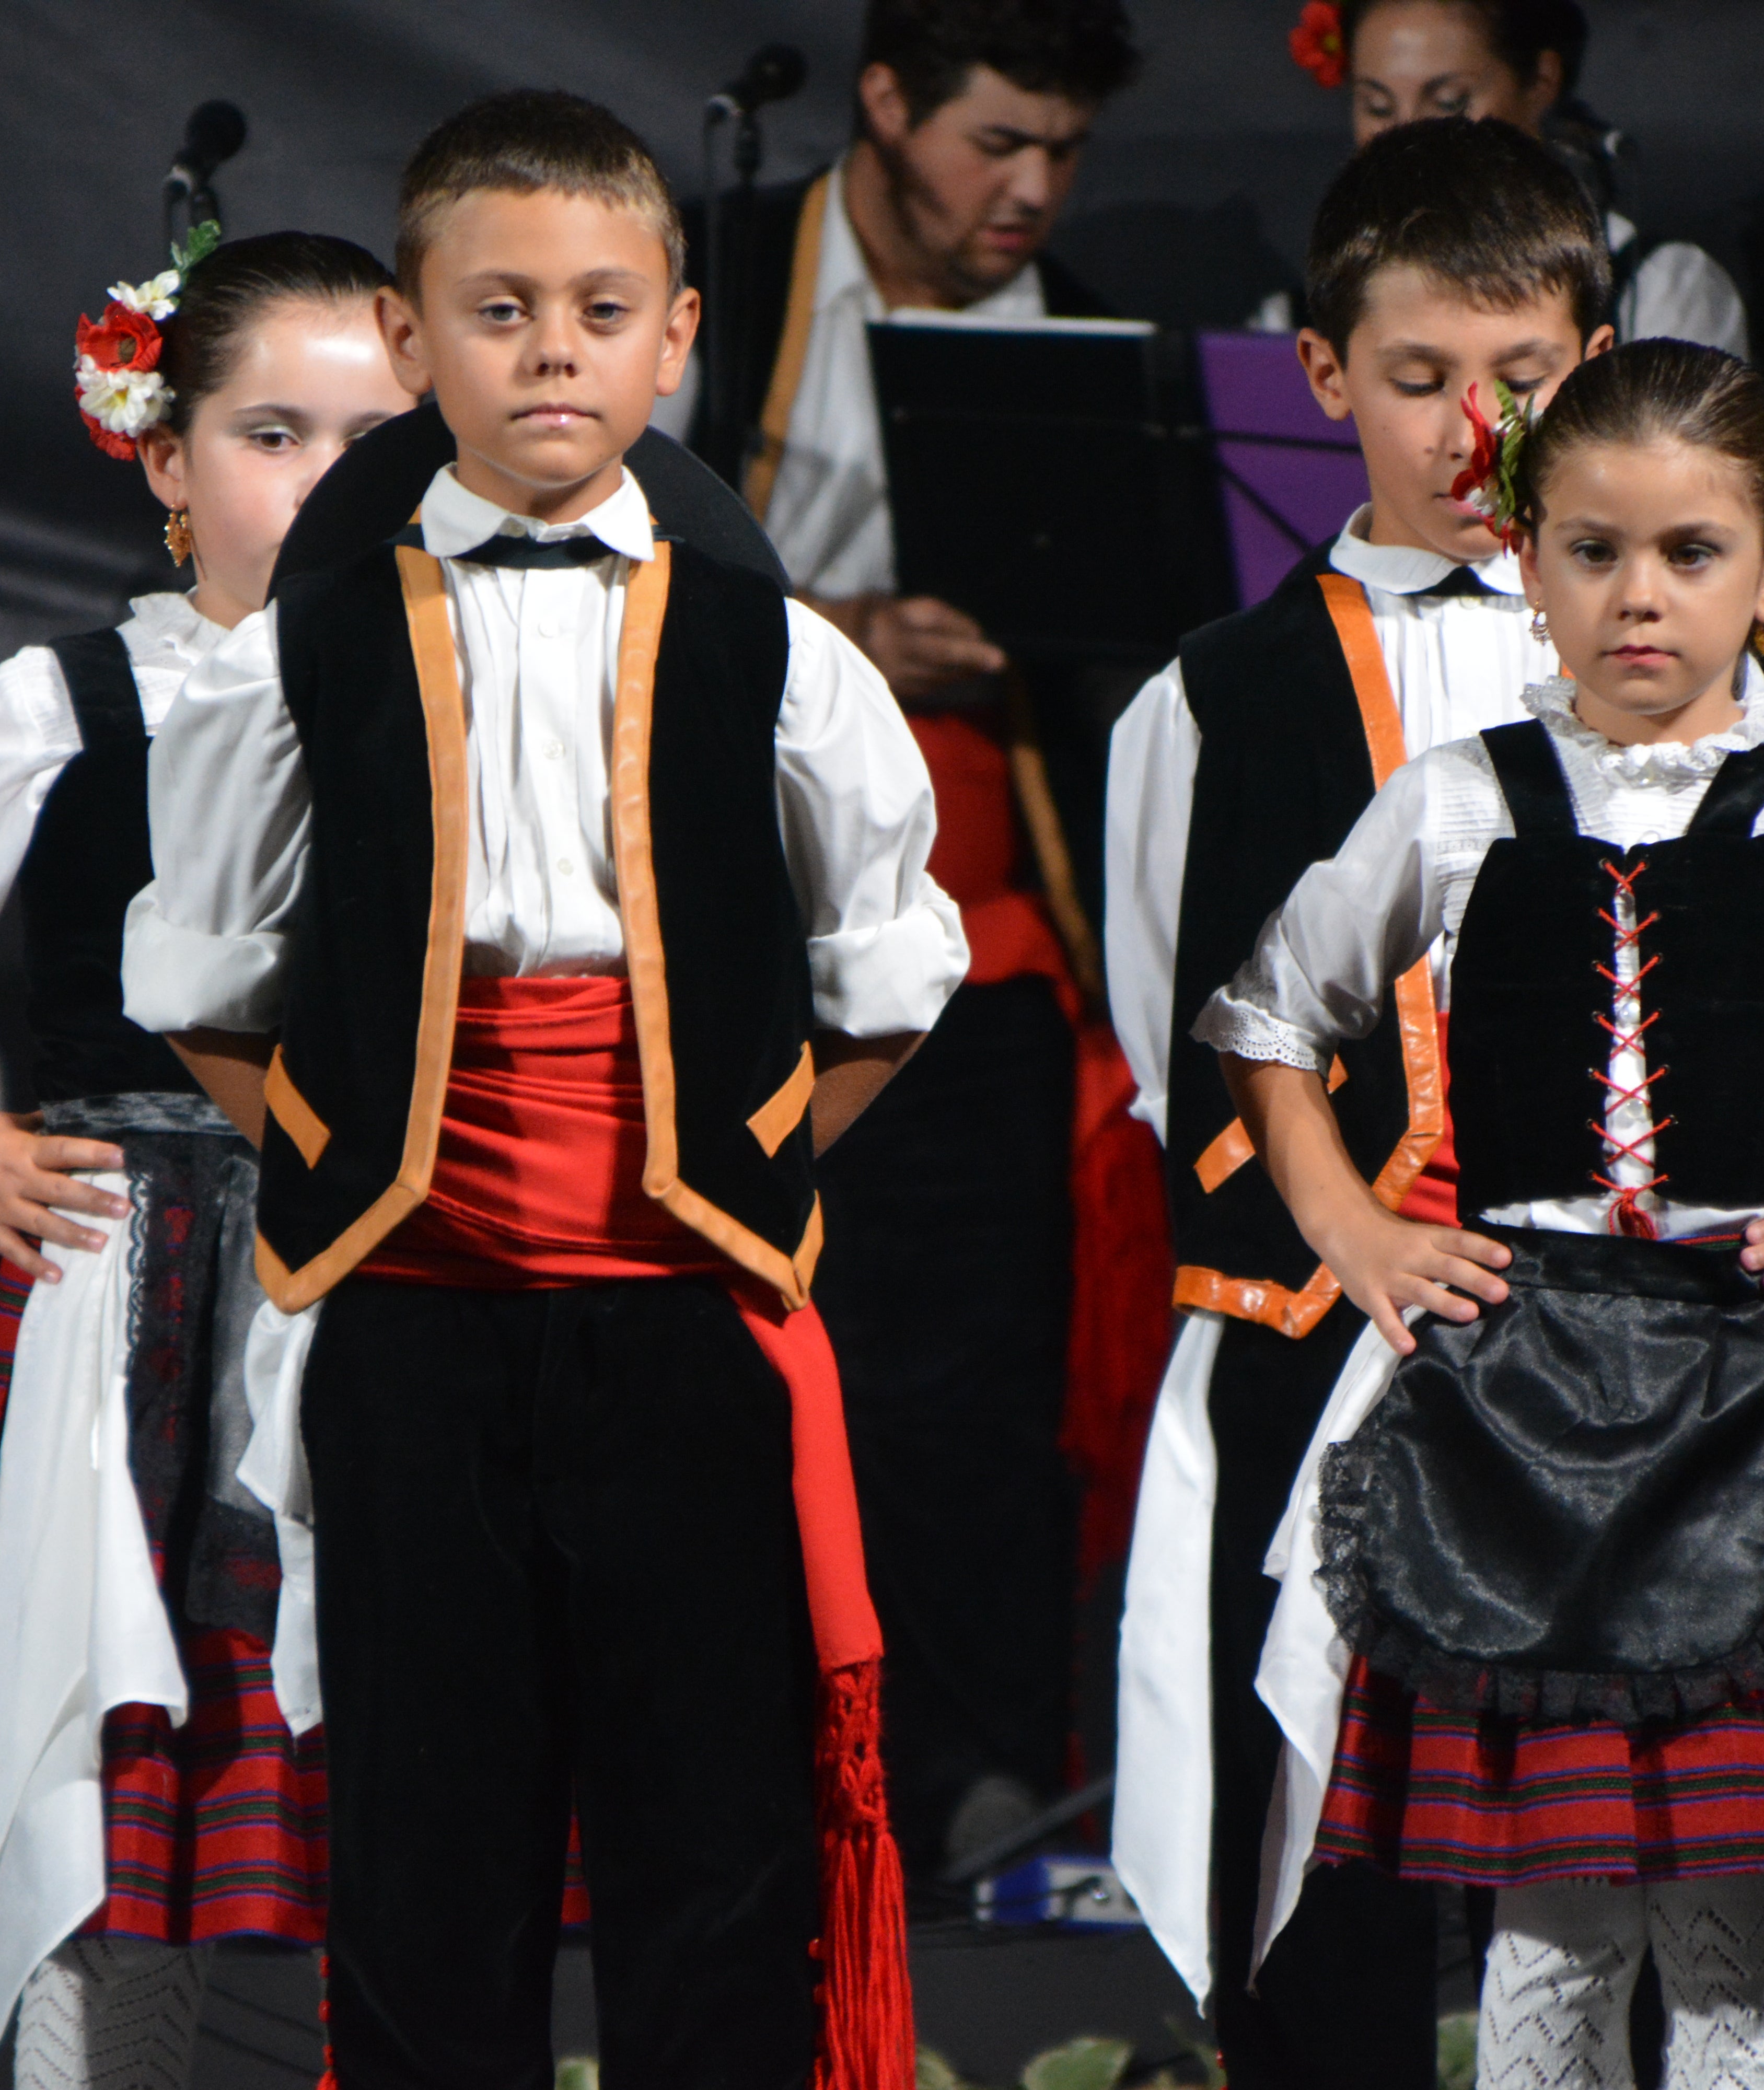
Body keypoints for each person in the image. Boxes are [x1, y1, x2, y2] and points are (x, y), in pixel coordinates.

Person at [120, 91, 966, 2089]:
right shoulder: (302, 641)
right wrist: (366, 1166)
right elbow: (199, 971)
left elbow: (893, 963)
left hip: (678, 1306)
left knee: (709, 1841)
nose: (554, 351)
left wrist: (729, 1161)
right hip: (414, 1314)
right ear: (410, 345)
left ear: (677, 335)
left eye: (601, 308)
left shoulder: (772, 637)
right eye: (499, 312)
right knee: (429, 1848)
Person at [1205, 341, 1764, 2090]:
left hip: (1759, 1381)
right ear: (1527, 562)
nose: (1637, 597)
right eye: (1592, 550)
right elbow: (1267, 1015)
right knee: (1553, 1914)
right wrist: (1354, 1232)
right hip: (1523, 1405)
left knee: (1739, 1921)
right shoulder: (1461, 798)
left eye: (1691, 554)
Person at [0, 231, 415, 2086]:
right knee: (113, 1797)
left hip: (397, 1278)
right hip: (141, 1291)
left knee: (400, 1789)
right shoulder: (78, 702)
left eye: (376, 432)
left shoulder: (461, 691)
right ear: (166, 461)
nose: (330, 476)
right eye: (277, 430)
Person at [1105, 118, 1600, 2090]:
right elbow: (1180, 1041)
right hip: (1318, 1334)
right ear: (1322, 377)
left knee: (1606, 1863)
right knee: (1322, 1863)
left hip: (1606, 1346)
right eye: (1417, 381)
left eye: (1526, 381)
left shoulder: (1671, 666)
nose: (1475, 433)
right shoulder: (1209, 701)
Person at [671, 0, 1148, 1874]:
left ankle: (973, 1777)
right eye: (993, 144)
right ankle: (735, 1785)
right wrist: (831, 631)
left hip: (965, 898)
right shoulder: (707, 276)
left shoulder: (1075, 321)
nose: (1029, 191)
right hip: (717, 881)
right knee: (731, 1353)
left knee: (964, 1374)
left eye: (1062, 152)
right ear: (881, 102)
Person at [1292, 0, 1746, 355]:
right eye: (1377, 107)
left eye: (1449, 101)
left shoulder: (1654, 289)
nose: (1408, 136)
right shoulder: (1313, 302)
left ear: (1541, 83)